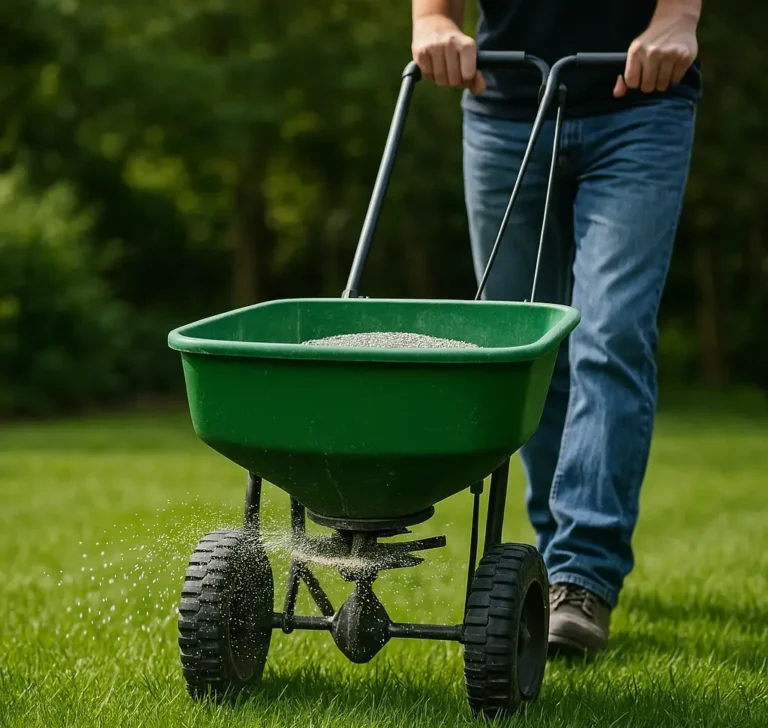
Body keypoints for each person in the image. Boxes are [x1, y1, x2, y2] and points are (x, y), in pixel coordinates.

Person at [411, 0, 701, 655]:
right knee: (524, 353)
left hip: (642, 103)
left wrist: (678, 18)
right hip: (505, 106)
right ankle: (555, 564)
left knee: (612, 337)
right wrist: (431, 19)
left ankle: (581, 576)